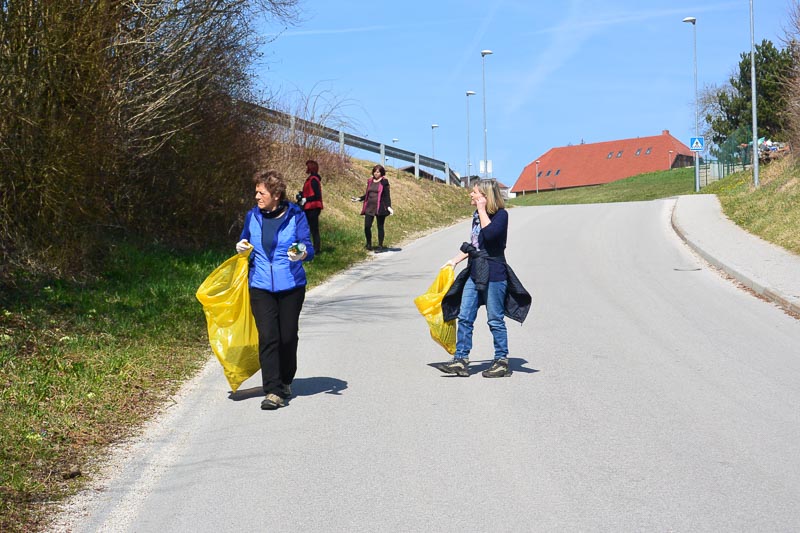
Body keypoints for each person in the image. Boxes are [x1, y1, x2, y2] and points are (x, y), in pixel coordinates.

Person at [434, 180, 531, 378]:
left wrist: (481, 210)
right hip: (475, 271)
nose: (471, 194)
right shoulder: (477, 216)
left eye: (475, 192)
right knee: (465, 316)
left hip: (494, 273)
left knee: (495, 319)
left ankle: (501, 361)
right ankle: (461, 360)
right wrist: (454, 261)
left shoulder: (501, 215)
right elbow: (475, 246)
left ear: (486, 196)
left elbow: (491, 235)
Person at [236, 170, 315, 410]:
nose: (257, 197)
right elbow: (245, 240)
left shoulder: (295, 215)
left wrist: (300, 252)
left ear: (276, 194)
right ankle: (273, 390)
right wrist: (241, 247)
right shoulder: (252, 216)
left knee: (287, 337)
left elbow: (308, 247)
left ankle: (286, 380)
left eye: (261, 193)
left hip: (291, 286)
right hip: (260, 286)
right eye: (256, 192)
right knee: (268, 337)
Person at [351, 164, 393, 251]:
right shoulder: (370, 181)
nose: (376, 173)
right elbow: (367, 194)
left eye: (378, 172)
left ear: (381, 173)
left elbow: (386, 196)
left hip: (380, 208)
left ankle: (380, 246)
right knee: (367, 226)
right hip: (369, 207)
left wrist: (389, 207)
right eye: (375, 172)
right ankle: (369, 244)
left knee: (380, 227)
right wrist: (359, 198)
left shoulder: (384, 182)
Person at [298, 159, 323, 254]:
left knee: (314, 229)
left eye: (307, 166)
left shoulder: (313, 180)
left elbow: (317, 195)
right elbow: (309, 193)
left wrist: (306, 199)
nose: (306, 168)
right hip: (308, 207)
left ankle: (316, 249)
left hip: (313, 207)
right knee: (306, 228)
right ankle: (309, 248)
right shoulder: (310, 179)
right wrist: (302, 195)